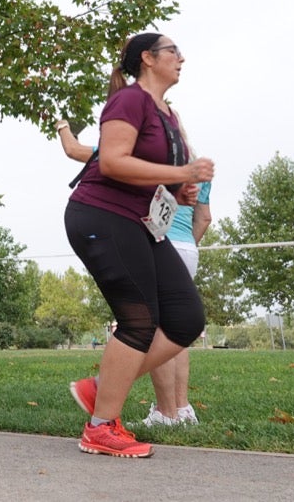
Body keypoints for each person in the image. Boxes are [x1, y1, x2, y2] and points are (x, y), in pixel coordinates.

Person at [63, 33, 213, 458]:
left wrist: (181, 188)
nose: (181, 57)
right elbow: (111, 161)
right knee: (139, 320)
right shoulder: (129, 100)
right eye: (173, 51)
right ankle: (100, 427)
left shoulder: (168, 113)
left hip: (143, 222)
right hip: (103, 216)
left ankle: (100, 390)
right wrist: (183, 168)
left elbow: (157, 174)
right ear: (148, 59)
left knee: (185, 319)